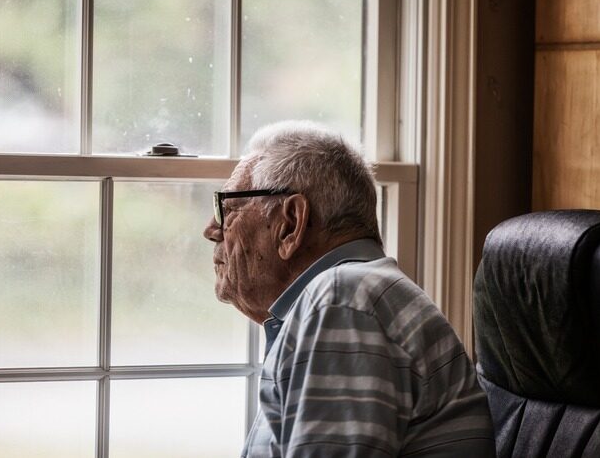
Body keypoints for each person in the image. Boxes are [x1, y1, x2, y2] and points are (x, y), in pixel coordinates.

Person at [202, 121, 495, 457]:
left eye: (227, 209)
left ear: (291, 223)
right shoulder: (352, 298)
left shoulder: (344, 302)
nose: (211, 230)